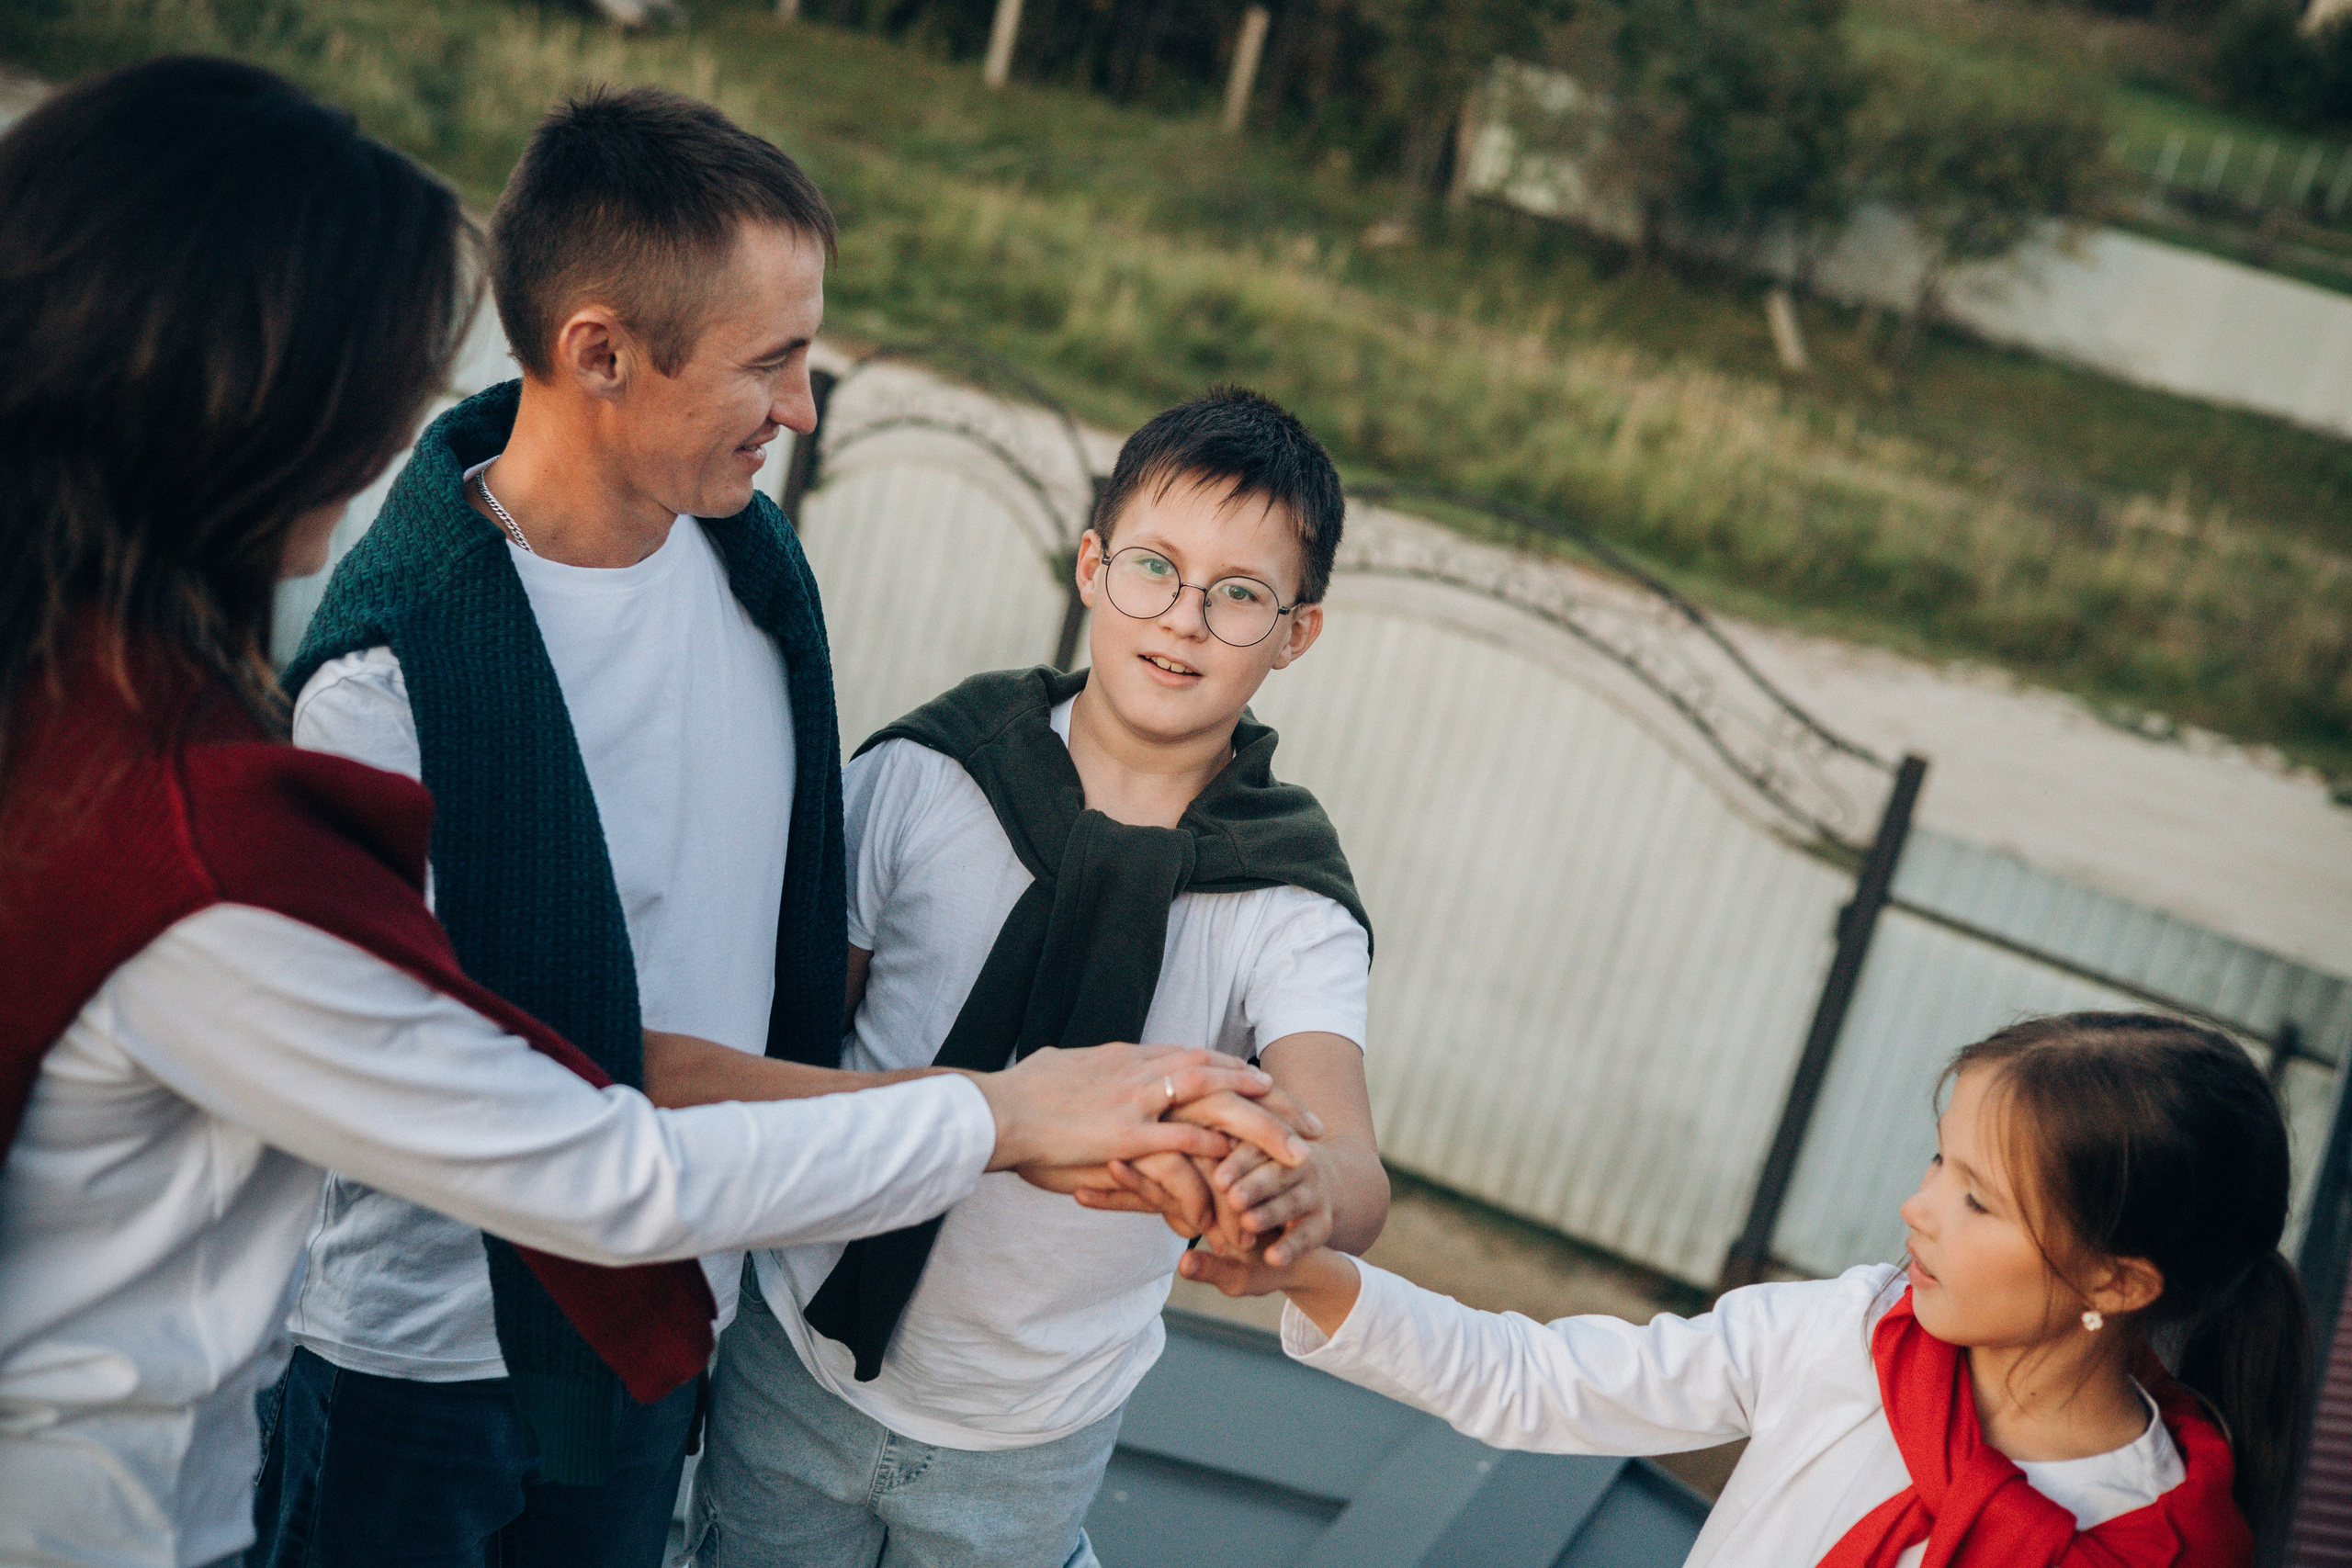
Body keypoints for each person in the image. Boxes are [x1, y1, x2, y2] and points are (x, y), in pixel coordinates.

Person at [0, 58, 1307, 1568]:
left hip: (663, 1313)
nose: (384, 435)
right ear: (601, 351)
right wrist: (1007, 1113)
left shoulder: (754, 580)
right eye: (773, 362)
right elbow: (588, 1149)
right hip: (373, 1380)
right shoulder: (265, 768)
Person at [684, 388, 1389, 1568]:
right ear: (1092, 567)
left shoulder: (1287, 896)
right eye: (1155, 568)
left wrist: (1302, 1190)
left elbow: (1354, 1170)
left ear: (1295, 633)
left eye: (1238, 595)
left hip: (1032, 1430)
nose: (1183, 619)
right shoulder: (930, 771)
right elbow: (790, 1046)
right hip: (794, 1352)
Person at [1189, 1011, 2312, 1566]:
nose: (1917, 1208)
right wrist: (1314, 1274)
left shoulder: (2148, 1545)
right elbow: (1537, 1381)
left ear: (2116, 1279)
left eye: (1979, 1201)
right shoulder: (1851, 1333)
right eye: (1938, 1162)